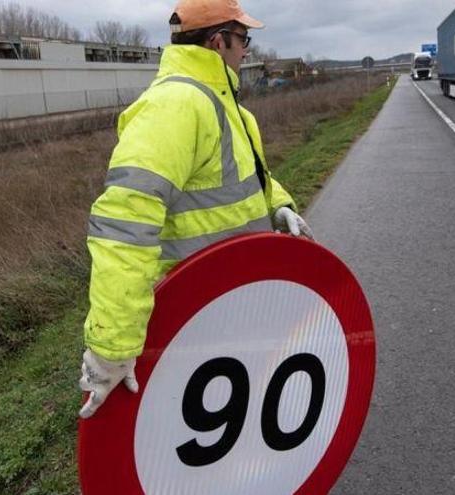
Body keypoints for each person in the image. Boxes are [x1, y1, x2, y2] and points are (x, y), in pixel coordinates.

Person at [78, 0, 312, 419]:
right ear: (218, 41)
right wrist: (112, 347)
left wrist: (278, 205)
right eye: (244, 39)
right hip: (188, 318)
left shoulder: (230, 110)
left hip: (237, 302)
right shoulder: (175, 106)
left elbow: (251, 178)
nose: (247, 51)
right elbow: (125, 225)